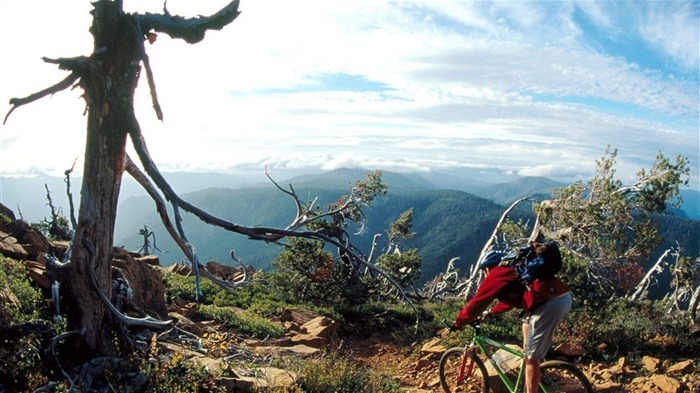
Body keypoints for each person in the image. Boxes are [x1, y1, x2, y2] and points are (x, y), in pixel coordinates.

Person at [449, 241, 572, 393]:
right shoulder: (513, 271)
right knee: (526, 327)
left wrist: (458, 323)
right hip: (558, 298)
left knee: (532, 359)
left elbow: (477, 304)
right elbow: (512, 301)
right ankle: (531, 371)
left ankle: (533, 375)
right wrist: (491, 313)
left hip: (551, 304)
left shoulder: (497, 274)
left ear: (488, 267)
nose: (484, 275)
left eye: (484, 271)